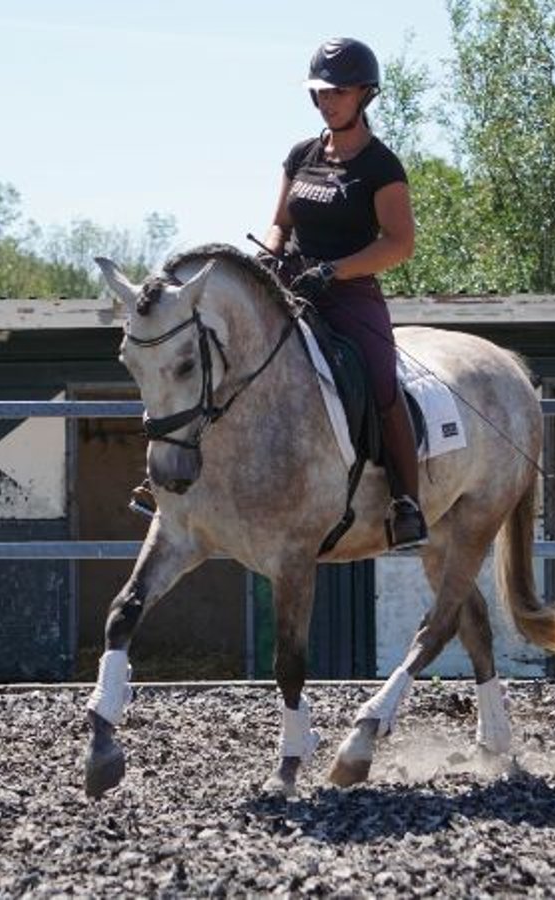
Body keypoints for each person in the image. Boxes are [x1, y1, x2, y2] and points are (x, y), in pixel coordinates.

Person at [131, 36, 427, 550]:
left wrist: (335, 270)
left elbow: (400, 244)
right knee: (217, 361)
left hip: (350, 295)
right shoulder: (301, 155)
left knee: (382, 382)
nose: (328, 100)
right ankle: (172, 485)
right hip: (289, 286)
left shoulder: (381, 166)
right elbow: (279, 223)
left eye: (339, 91)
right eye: (321, 92)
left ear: (364, 94)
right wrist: (269, 255)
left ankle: (406, 501)